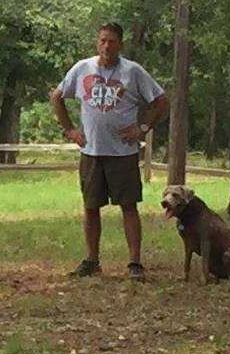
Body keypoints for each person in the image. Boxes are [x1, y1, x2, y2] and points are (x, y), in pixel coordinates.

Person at [50, 22, 168, 280]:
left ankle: (134, 262)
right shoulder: (82, 69)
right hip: (91, 150)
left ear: (120, 44)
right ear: (97, 42)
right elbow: (57, 96)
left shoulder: (132, 72)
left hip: (122, 152)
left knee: (128, 205)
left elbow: (160, 100)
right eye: (102, 40)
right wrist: (70, 130)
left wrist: (143, 127)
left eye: (111, 41)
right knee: (91, 206)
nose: (106, 46)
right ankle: (92, 259)